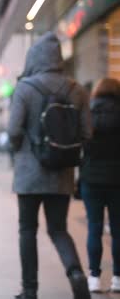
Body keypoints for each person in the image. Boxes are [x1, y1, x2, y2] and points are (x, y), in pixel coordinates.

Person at [7, 31, 92, 299]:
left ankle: (30, 291)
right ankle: (76, 274)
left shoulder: (25, 87)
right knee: (59, 229)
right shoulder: (76, 89)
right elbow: (88, 132)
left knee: (27, 230)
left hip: (29, 174)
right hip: (62, 172)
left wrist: (21, 146)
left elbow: (12, 130)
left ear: (34, 57)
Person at [79, 78, 120, 293]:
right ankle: (117, 278)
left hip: (91, 179)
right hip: (117, 180)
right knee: (118, 231)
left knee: (94, 229)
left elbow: (80, 144)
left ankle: (94, 278)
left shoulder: (88, 113)